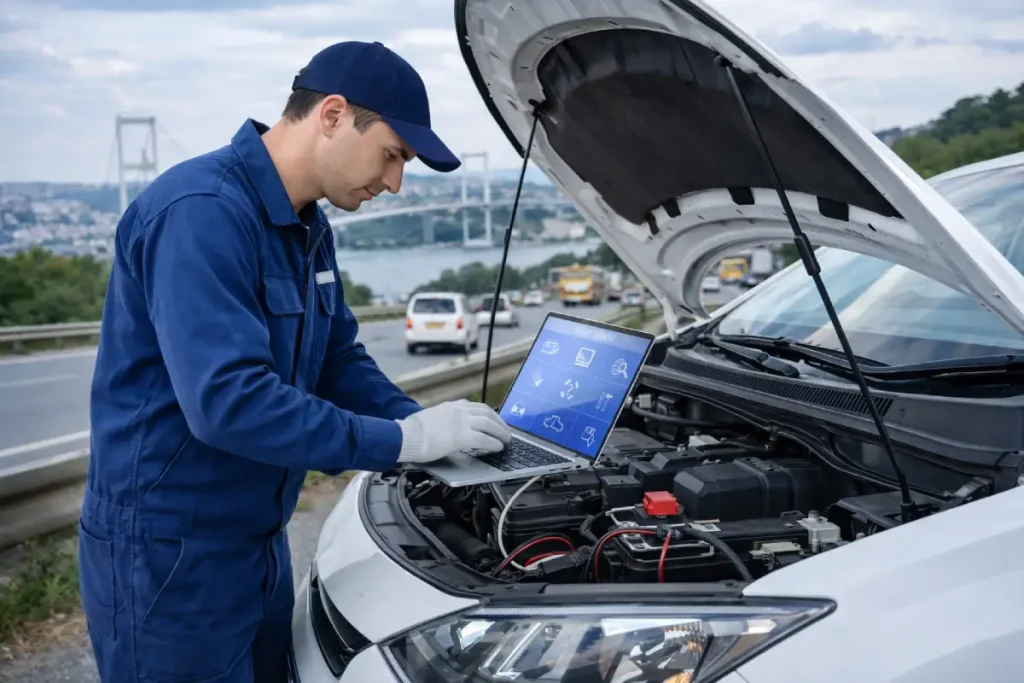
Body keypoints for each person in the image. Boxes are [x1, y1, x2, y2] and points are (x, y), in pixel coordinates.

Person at [79, 41, 512, 683]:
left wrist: (433, 432)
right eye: (393, 155)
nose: (395, 182)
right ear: (332, 115)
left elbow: (337, 359)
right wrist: (399, 442)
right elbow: (230, 403)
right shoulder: (202, 214)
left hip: (256, 543)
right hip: (168, 558)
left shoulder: (308, 225)